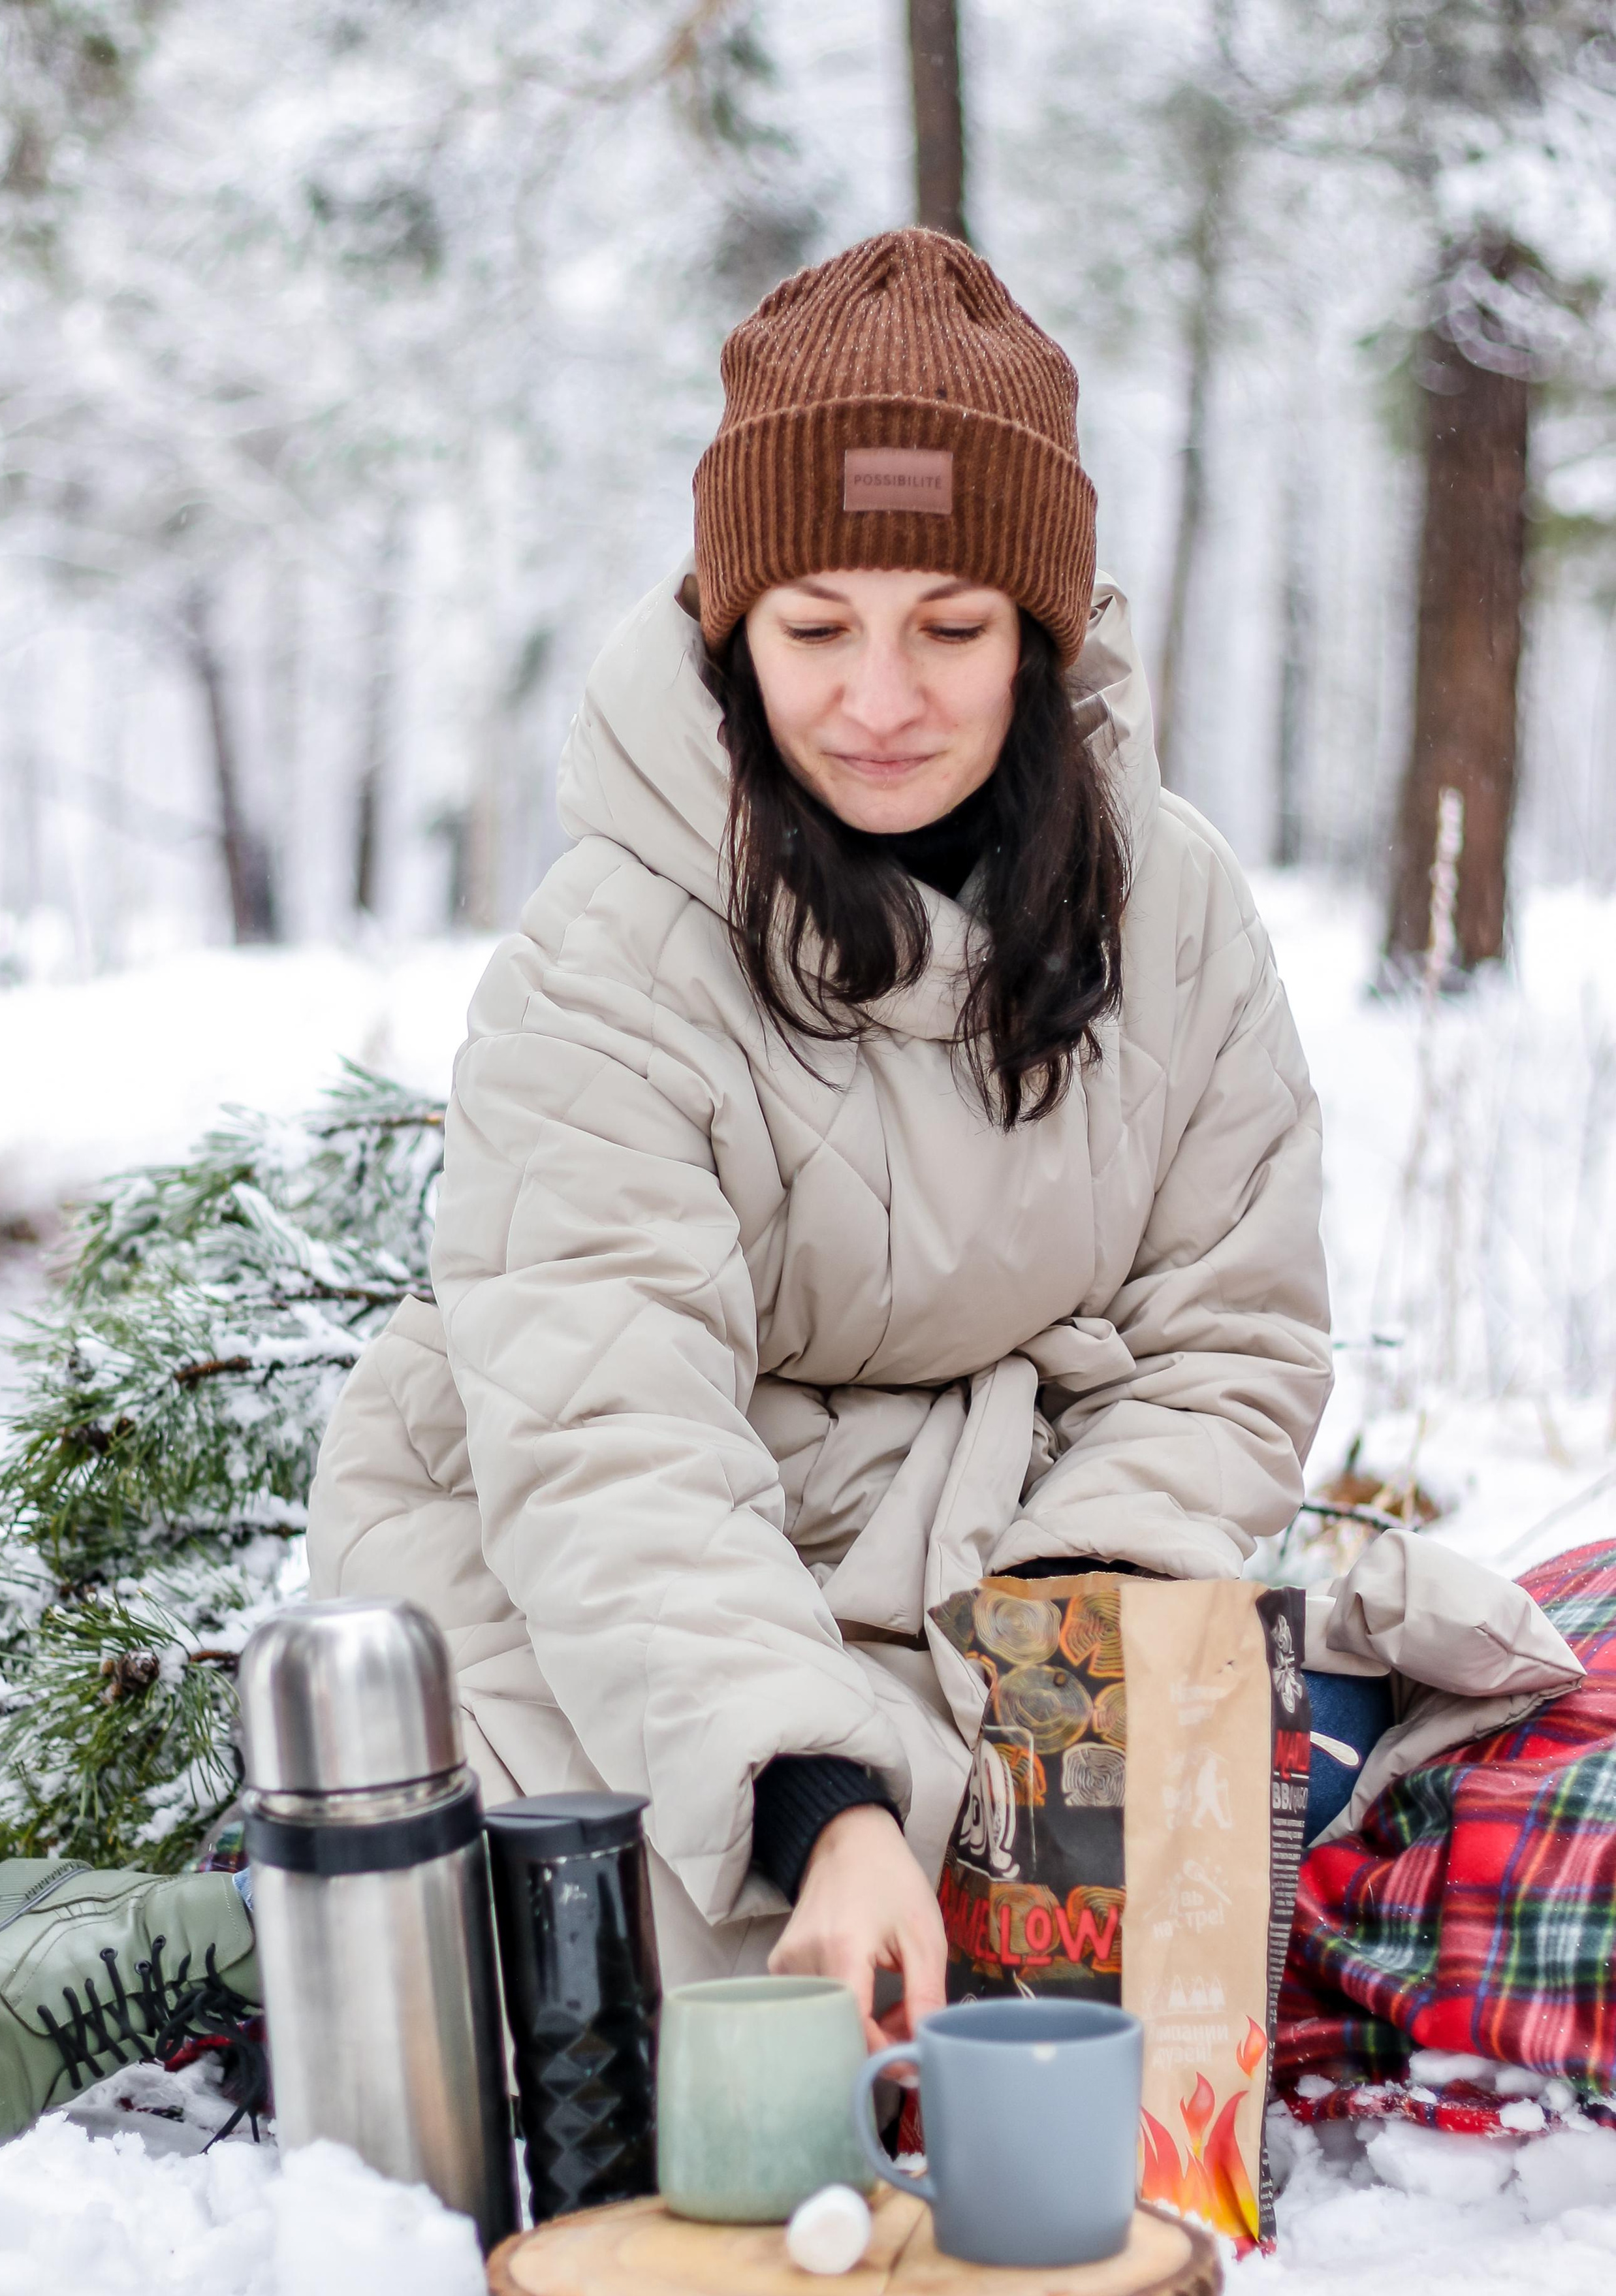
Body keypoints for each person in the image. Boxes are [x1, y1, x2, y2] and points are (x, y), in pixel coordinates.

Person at [306, 227, 1333, 2054]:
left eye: (949, 628)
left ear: (1042, 628)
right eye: (815, 628)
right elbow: (610, 1432)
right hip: (619, 1575)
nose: (879, 700)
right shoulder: (604, 957)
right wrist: (818, 1801)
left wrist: (1078, 1666)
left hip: (1005, 1560)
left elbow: (1228, 1333)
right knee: (716, 2012)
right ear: (729, 626)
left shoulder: (1172, 910)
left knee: (1178, 1927)